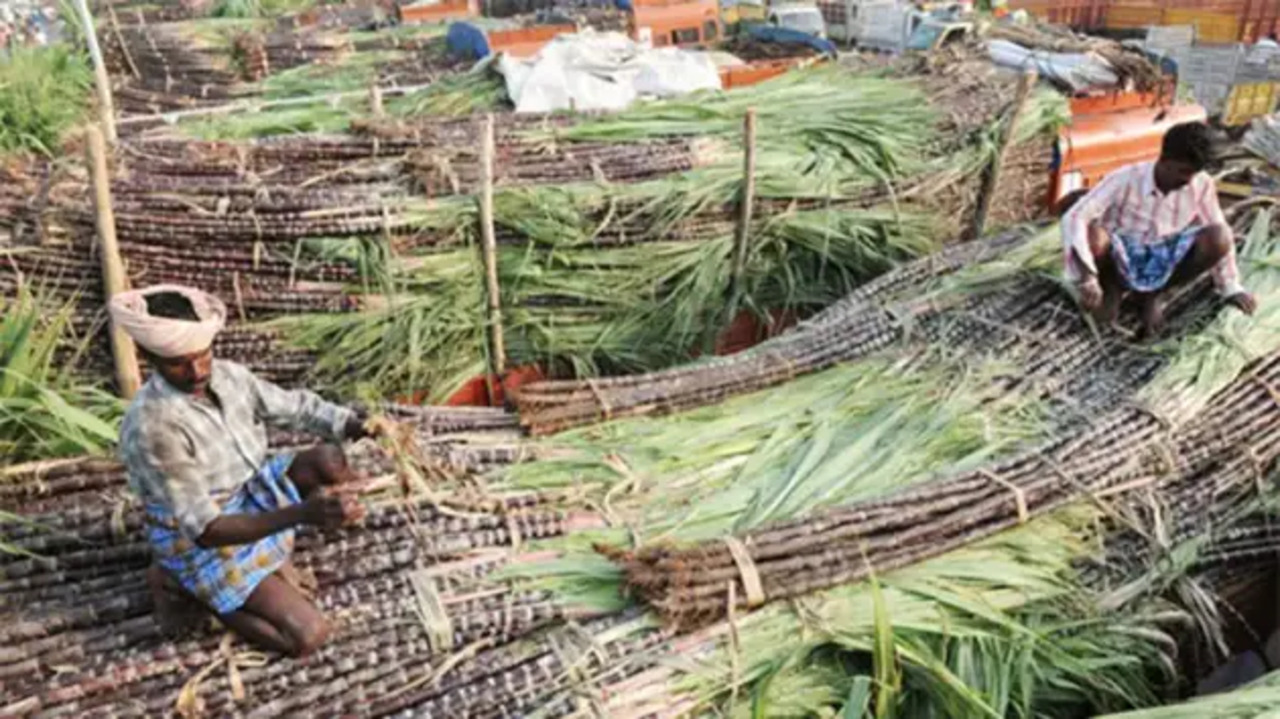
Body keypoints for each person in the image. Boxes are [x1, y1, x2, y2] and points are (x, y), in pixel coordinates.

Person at [112, 285, 378, 657]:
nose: (197, 372)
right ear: (147, 358)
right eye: (178, 363)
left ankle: (263, 561)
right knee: (307, 636)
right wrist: (301, 515)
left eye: (204, 355)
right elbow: (206, 530)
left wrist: (354, 424)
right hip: (201, 530)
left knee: (329, 460)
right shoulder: (153, 427)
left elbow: (295, 408)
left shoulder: (230, 377)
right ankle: (194, 592)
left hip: (249, 490)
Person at [1062, 121, 1257, 336]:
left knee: (1219, 237)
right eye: (1183, 171)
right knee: (1093, 234)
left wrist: (1231, 287)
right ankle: (1111, 287)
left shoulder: (1201, 184)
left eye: (1194, 173)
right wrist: (1087, 276)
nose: (1188, 180)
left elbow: (1217, 225)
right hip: (1119, 255)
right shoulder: (1126, 177)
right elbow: (1076, 216)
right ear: (1164, 160)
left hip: (1163, 258)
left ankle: (1153, 294)